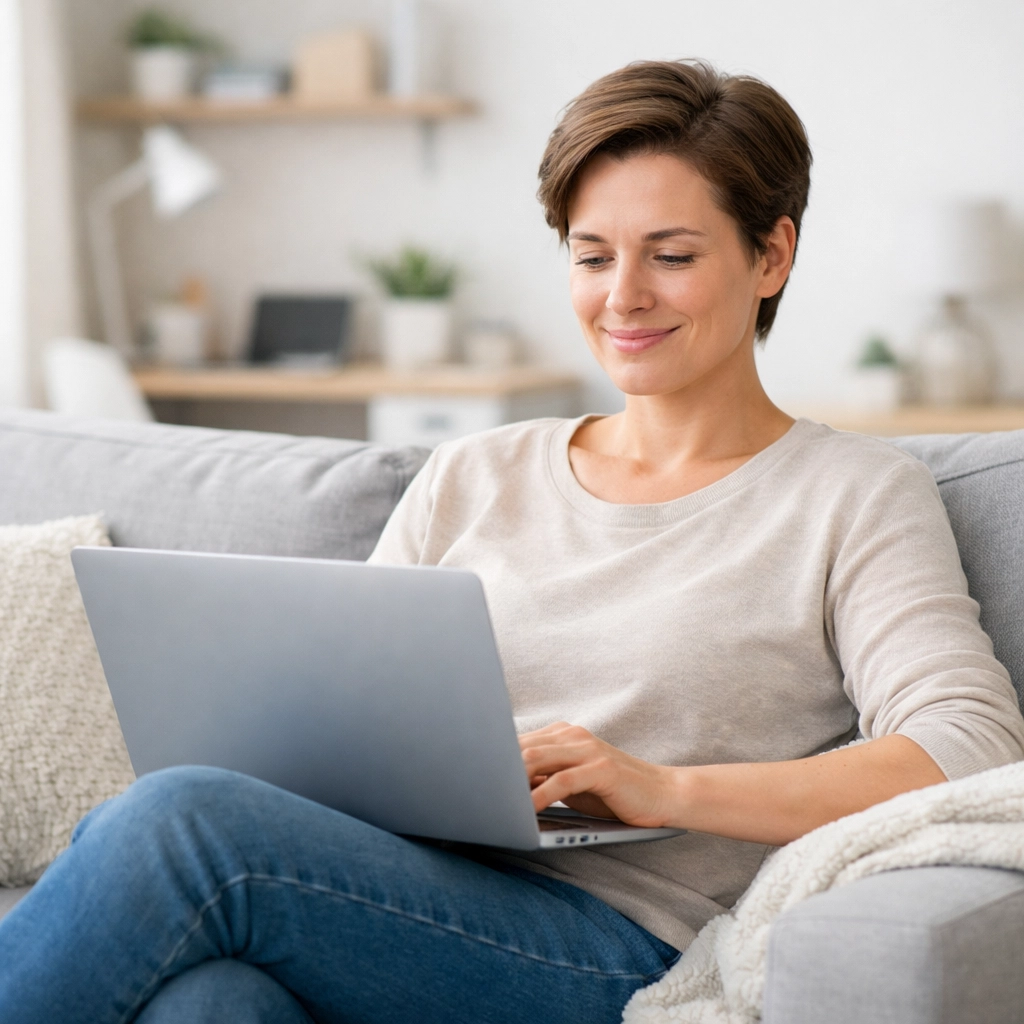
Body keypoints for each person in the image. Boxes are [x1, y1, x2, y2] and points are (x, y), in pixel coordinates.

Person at [1, 59, 1022, 1024]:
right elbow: (341, 711)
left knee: (181, 825)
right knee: (211, 1002)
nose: (622, 296)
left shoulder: (852, 493)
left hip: (610, 941)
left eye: (670, 255)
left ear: (771, 254)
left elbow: (969, 748)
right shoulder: (472, 472)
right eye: (591, 256)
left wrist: (662, 787)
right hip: (402, 893)